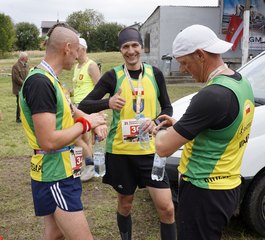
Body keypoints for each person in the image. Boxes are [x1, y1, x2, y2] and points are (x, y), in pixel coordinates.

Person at [154, 24, 255, 240]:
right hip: (228, 186)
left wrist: (157, 133)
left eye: (184, 63)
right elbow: (222, 124)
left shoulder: (212, 96)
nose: (182, 70)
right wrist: (180, 125)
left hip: (203, 190)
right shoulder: (240, 82)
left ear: (200, 55)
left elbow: (162, 148)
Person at [78, 27, 176, 240]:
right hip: (121, 152)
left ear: (141, 47)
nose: (131, 51)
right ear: (120, 50)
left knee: (167, 208)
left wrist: (155, 121)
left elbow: (167, 108)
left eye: (134, 45)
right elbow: (84, 105)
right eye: (126, 47)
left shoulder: (155, 74)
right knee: (125, 203)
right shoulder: (113, 76)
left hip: (151, 150)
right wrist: (108, 102)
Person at [19, 23, 107, 240]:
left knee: (55, 234)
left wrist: (94, 121)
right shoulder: (40, 83)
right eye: (77, 49)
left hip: (58, 169)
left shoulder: (50, 79)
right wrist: (86, 125)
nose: (78, 56)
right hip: (55, 172)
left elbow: (72, 110)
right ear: (67, 48)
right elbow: (48, 140)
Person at [72, 37, 101, 182]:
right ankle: (89, 167)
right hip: (77, 105)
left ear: (83, 48)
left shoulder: (91, 65)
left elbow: (100, 88)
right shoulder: (77, 67)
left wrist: (100, 112)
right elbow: (79, 87)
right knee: (84, 138)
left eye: (76, 48)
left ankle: (89, 165)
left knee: (74, 137)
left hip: (88, 107)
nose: (73, 52)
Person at [11, 51, 29, 123]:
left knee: (26, 103)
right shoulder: (15, 66)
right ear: (23, 58)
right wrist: (25, 83)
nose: (28, 59)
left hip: (26, 87)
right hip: (19, 89)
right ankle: (18, 118)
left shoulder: (26, 65)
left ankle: (25, 117)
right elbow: (16, 78)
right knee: (19, 103)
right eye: (27, 57)